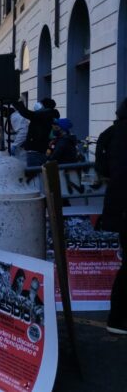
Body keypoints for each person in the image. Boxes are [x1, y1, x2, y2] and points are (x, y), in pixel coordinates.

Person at [96, 99, 127, 335]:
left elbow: (103, 169)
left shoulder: (109, 134)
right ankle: (118, 319)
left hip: (119, 206)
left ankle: (117, 318)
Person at [13, 98, 60, 166]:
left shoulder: (43, 114)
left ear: (45, 106)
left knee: (33, 172)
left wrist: (17, 103)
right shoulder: (49, 114)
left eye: (41, 104)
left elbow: (26, 113)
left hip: (35, 150)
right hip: (42, 149)